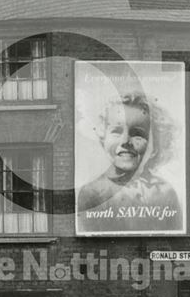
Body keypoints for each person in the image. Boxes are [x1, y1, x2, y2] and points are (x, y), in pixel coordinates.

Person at [77, 92, 183, 233]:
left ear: (155, 147)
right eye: (116, 131)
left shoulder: (164, 193)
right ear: (103, 140)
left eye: (138, 134)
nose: (125, 141)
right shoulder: (92, 193)